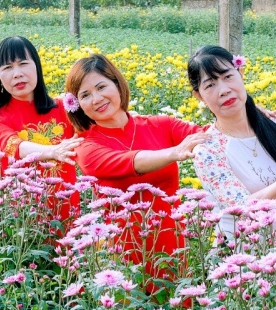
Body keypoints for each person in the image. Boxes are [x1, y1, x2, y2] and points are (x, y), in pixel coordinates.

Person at [67, 53, 206, 262]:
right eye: (85, 95)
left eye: (101, 87)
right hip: (120, 255)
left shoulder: (160, 125)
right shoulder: (85, 145)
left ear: (117, 84)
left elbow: (210, 134)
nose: (96, 99)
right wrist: (173, 153)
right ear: (76, 104)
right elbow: (128, 162)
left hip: (172, 246)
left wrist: (245, 111)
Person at [185, 45, 276, 223]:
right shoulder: (208, 151)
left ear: (241, 74)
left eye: (228, 76)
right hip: (241, 246)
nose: (224, 90)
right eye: (210, 84)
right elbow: (243, 209)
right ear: (199, 95)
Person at [0, 35, 82, 225]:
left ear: (37, 66)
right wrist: (53, 151)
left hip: (67, 212)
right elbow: (14, 146)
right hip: (24, 222)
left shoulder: (64, 108)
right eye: (7, 68)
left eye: (23, 63)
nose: (17, 73)